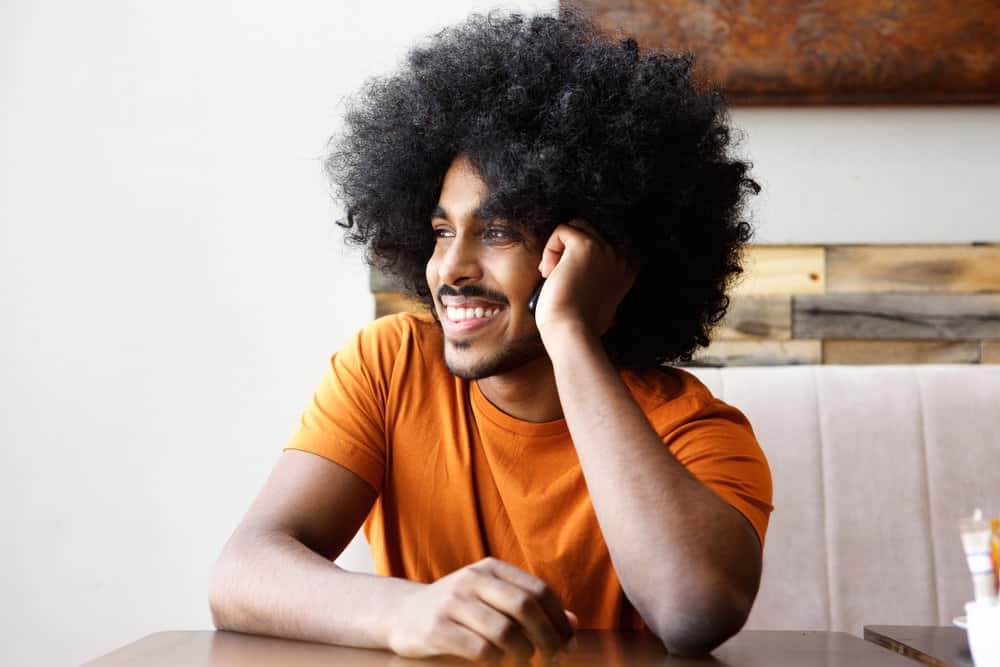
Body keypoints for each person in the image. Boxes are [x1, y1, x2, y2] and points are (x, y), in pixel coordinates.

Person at [208, 8, 772, 661]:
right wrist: (405, 610)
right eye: (443, 230)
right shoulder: (389, 366)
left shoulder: (692, 429)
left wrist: (569, 329)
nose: (450, 267)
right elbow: (240, 572)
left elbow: (693, 610)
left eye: (498, 230)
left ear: (599, 249)